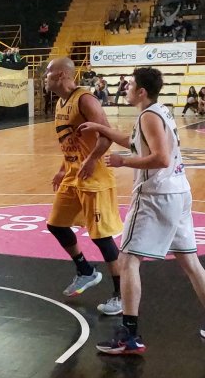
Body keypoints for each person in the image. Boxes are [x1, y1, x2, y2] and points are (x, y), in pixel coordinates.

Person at [78, 67, 205, 354]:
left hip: (156, 196)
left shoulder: (148, 115)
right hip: (178, 192)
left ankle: (129, 337)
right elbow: (135, 142)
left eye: (130, 84)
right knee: (191, 264)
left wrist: (124, 163)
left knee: (127, 261)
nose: (125, 88)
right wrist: (102, 129)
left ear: (142, 91)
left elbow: (159, 158)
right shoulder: (158, 111)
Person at [44, 57, 123, 315]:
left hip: (93, 177)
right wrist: (61, 168)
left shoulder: (85, 99)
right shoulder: (59, 102)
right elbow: (70, 143)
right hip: (72, 175)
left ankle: (121, 295)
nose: (44, 77)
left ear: (62, 76)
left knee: (102, 237)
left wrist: (91, 161)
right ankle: (85, 270)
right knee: (56, 224)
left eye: (48, 73)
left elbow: (107, 135)